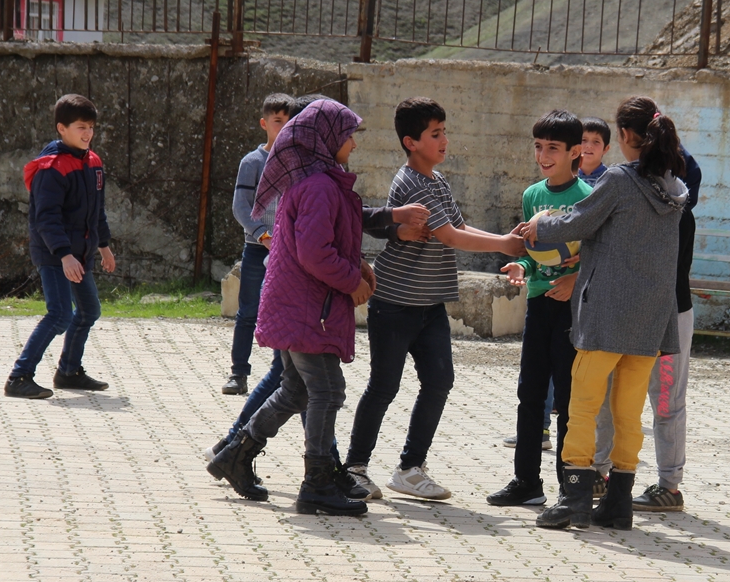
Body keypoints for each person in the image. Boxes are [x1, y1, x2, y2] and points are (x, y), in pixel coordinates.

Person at [343, 97, 526, 501]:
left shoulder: (438, 182)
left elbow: (459, 226)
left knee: (440, 380)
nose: (445, 141)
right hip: (394, 303)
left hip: (430, 305)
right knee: (384, 386)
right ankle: (354, 468)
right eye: (435, 134)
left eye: (444, 132)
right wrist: (505, 246)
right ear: (411, 142)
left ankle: (410, 468)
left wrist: (504, 242)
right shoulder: (409, 182)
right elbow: (451, 238)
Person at [518, 95, 687, 531]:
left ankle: (574, 499)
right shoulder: (672, 188)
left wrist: (539, 228)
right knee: (629, 415)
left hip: (607, 313)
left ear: (627, 137)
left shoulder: (620, 179)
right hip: (650, 320)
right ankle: (618, 505)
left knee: (584, 407)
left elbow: (578, 220)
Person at [207, 99, 374, 516]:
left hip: (299, 304)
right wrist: (351, 281)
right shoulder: (317, 186)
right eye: (347, 134)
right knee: (327, 390)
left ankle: (235, 455)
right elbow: (316, 254)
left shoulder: (318, 181)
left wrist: (358, 265)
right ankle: (317, 481)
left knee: (296, 389)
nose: (353, 143)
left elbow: (328, 240)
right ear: (326, 139)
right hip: (307, 309)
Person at [487, 110, 592, 507]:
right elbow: (534, 251)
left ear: (574, 152)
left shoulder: (588, 198)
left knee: (568, 400)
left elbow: (599, 256)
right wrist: (522, 265)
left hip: (572, 310)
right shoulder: (533, 195)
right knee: (530, 394)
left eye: (552, 148)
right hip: (538, 303)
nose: (543, 155)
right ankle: (526, 482)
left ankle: (570, 485)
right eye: (538, 147)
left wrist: (575, 280)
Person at [591, 143, 702, 512]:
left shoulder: (669, 213)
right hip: (664, 315)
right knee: (657, 401)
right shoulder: (676, 211)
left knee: (636, 397)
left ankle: (628, 477)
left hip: (651, 315)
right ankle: (649, 481)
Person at [5, 94, 117, 400]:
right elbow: (46, 219)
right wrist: (65, 255)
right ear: (61, 128)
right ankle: (19, 377)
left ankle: (68, 372)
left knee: (89, 310)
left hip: (80, 254)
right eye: (81, 127)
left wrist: (104, 246)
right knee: (59, 315)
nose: (88, 133)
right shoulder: (50, 168)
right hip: (55, 255)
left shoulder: (93, 162)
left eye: (91, 127)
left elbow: (98, 212)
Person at [222, 93, 293, 396]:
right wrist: (263, 235)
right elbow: (241, 207)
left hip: (289, 253)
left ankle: (283, 376)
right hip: (256, 249)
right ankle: (239, 374)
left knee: (285, 312)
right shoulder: (252, 163)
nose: (285, 126)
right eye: (278, 120)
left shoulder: (298, 162)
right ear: (265, 124)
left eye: (290, 120)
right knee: (248, 312)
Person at [577, 117, 611, 186]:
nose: (589, 146)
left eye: (596, 141)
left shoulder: (611, 178)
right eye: (584, 140)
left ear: (605, 149)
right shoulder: (566, 177)